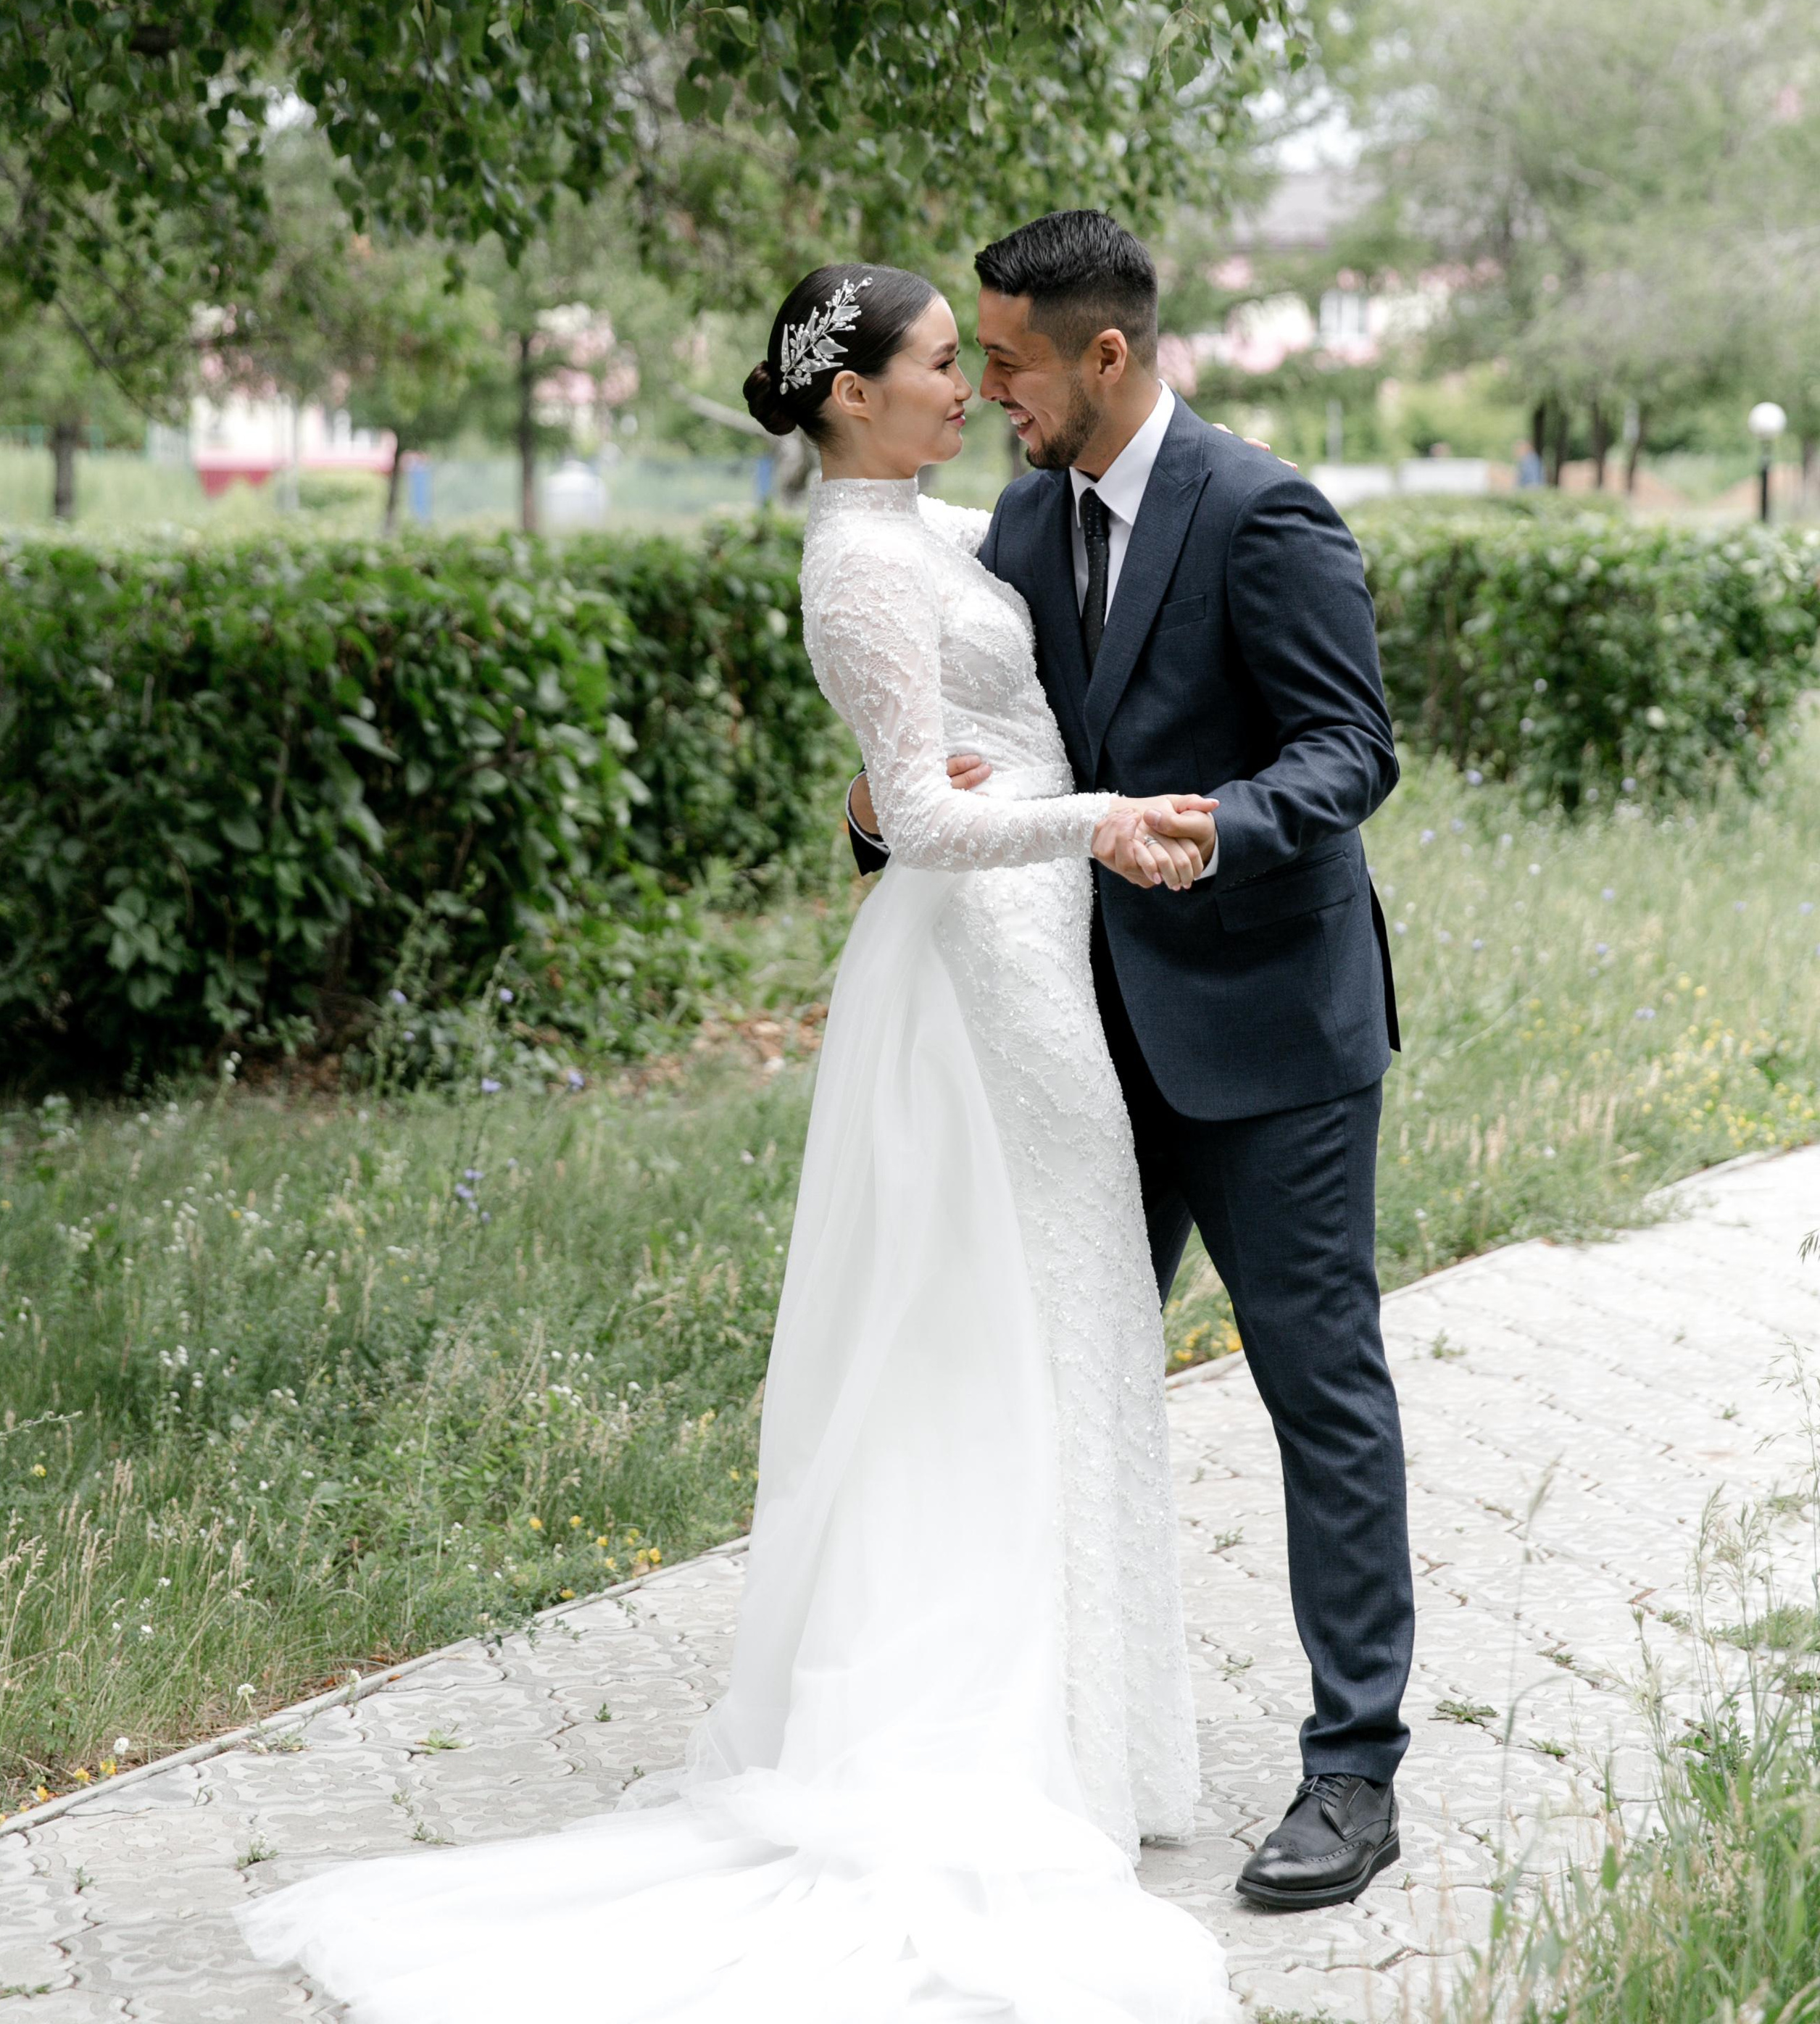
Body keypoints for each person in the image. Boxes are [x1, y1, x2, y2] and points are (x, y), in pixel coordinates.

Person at [242, 262, 1233, 2024]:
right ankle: (1015, 1728)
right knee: (1012, 1331)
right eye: (940, 363)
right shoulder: (855, 561)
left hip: (1031, 969)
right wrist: (1101, 825)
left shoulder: (926, 525)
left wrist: (1017, 805)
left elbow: (927, 762)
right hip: (980, 979)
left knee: (1062, 1331)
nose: (964, 384)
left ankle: (1097, 1731)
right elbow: (922, 814)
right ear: (850, 392)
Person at [848, 211, 1410, 1913]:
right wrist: (883, 817)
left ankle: (1352, 1770)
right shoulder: (1022, 515)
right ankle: (1043, 1735)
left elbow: (1350, 748)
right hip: (1078, 1043)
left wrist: (1214, 831)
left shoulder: (1260, 511)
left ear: (1106, 356)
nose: (987, 392)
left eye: (1005, 361)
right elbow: (993, 753)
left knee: (1316, 1388)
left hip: (1268, 1035)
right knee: (1052, 1380)